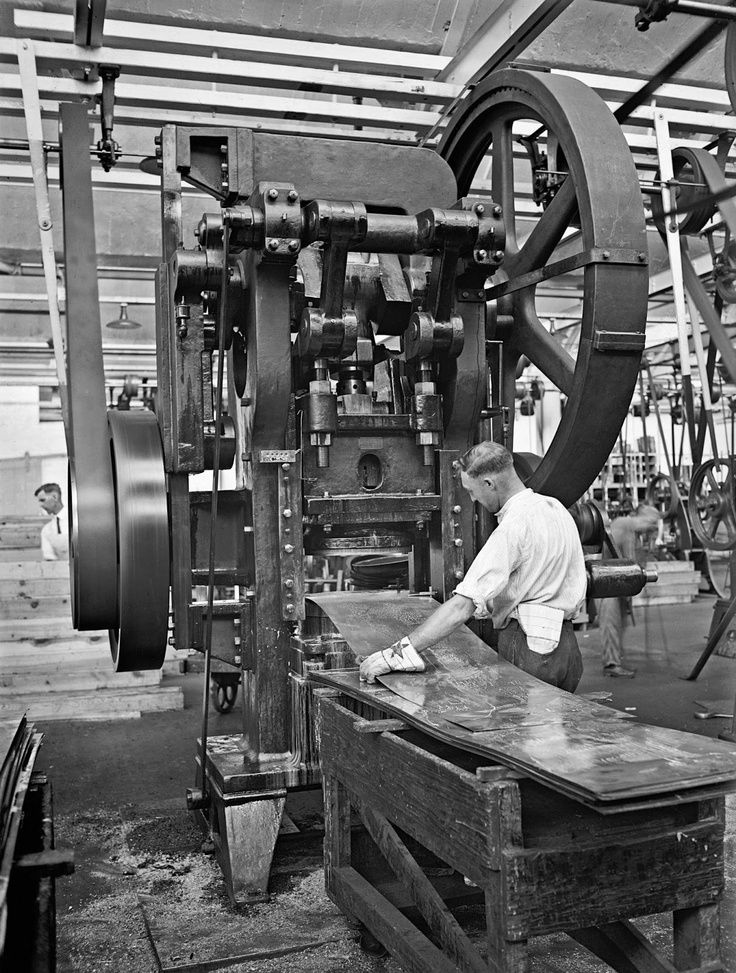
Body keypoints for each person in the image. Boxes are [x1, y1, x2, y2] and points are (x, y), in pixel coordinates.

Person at [359, 441, 588, 692]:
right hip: (566, 651)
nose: (473, 499)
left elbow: (461, 606)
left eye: (472, 491)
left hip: (530, 652)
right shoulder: (556, 510)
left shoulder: (514, 526)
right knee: (556, 727)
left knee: (522, 730)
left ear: (489, 483)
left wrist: (397, 654)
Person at [597, 504, 660, 678]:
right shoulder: (624, 524)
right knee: (611, 624)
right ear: (643, 518)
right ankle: (611, 665)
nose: (652, 528)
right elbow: (625, 559)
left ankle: (615, 658)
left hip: (617, 583)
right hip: (605, 582)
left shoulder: (634, 532)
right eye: (651, 523)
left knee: (619, 623)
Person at [34, 482, 69, 561]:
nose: (40, 505)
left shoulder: (76, 520)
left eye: (42, 500)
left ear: (55, 497)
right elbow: (49, 558)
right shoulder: (47, 530)